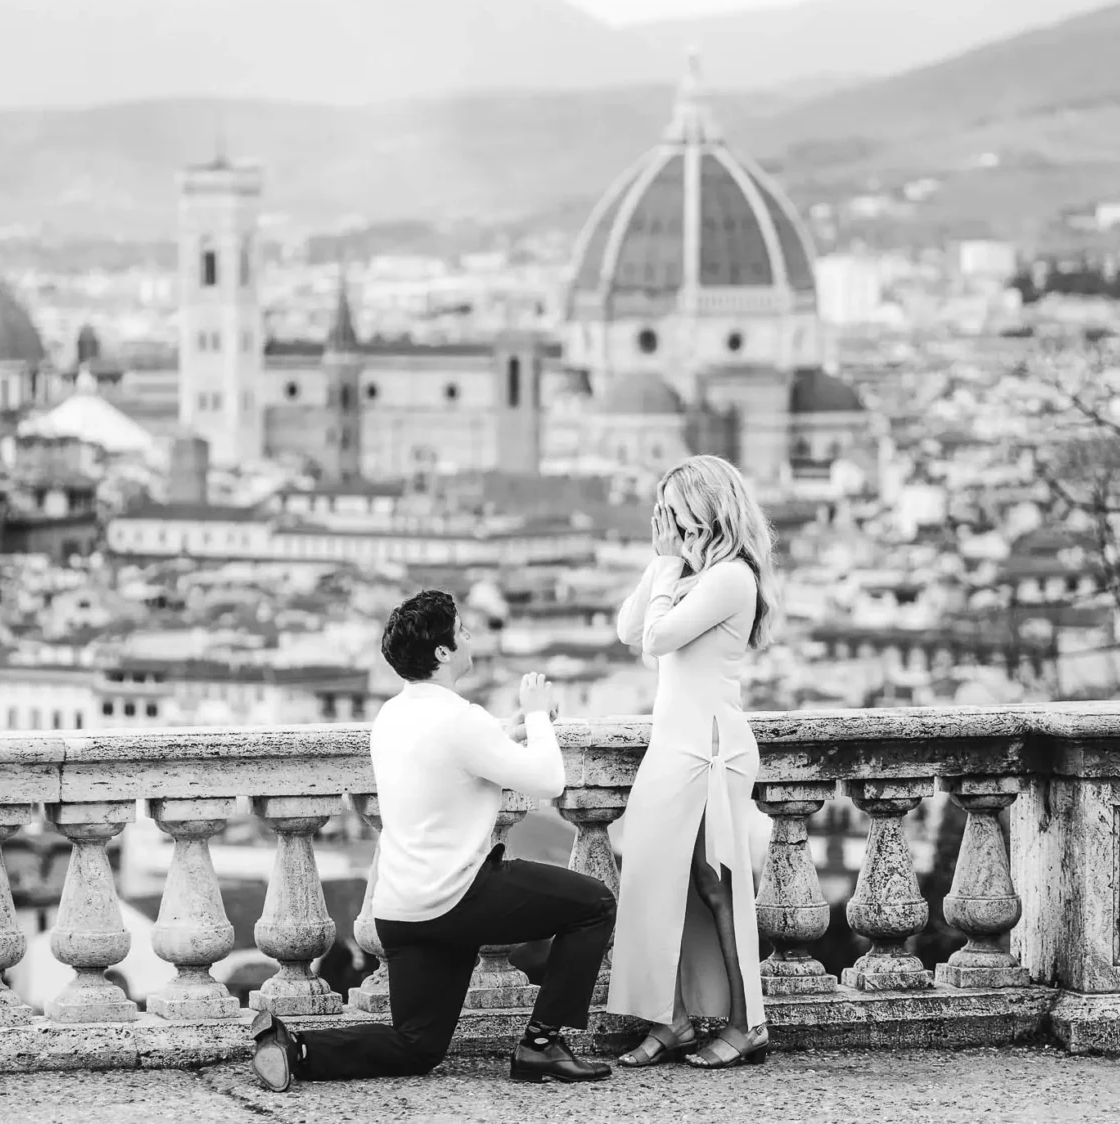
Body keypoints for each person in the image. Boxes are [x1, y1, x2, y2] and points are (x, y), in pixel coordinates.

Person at [249, 589, 617, 1091]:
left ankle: (297, 1049)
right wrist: (535, 714)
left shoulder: (393, 717)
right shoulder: (460, 720)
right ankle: (541, 1044)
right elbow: (549, 781)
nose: (469, 638)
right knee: (593, 903)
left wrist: (507, 731)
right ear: (443, 652)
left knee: (417, 1046)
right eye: (462, 631)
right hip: (460, 897)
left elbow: (458, 753)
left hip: (402, 909)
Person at [609, 455, 776, 1070]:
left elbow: (656, 640)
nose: (668, 522)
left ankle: (745, 1023)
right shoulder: (688, 573)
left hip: (710, 748)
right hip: (673, 746)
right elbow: (630, 627)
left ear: (706, 507)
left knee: (716, 886)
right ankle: (670, 1020)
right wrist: (661, 562)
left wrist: (667, 567)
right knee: (655, 884)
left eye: (675, 510)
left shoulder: (731, 578)